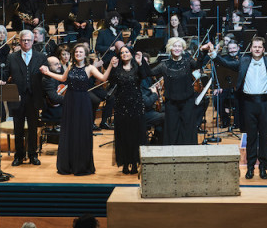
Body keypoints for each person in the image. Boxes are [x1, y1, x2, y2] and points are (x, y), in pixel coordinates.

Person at [208, 37, 267, 179]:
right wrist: (214, 55)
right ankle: (250, 167)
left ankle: (263, 167)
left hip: (266, 103)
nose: (257, 49)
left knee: (264, 137)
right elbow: (226, 64)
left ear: (263, 49)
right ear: (251, 48)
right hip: (248, 103)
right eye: (255, 47)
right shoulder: (244, 61)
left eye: (260, 47)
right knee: (251, 136)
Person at [40, 43, 112, 176]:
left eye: (80, 52)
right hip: (70, 100)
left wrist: (111, 66)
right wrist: (47, 72)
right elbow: (62, 78)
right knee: (69, 131)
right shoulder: (70, 67)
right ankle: (68, 164)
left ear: (85, 54)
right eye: (76, 52)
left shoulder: (90, 68)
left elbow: (103, 78)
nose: (78, 54)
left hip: (83, 101)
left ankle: (82, 165)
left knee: (82, 131)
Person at [142, 37, 206, 145]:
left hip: (187, 101)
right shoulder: (164, 64)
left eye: (179, 46)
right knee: (172, 127)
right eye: (174, 46)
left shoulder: (188, 61)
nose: (177, 48)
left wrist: (202, 51)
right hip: (171, 102)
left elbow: (198, 65)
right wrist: (141, 63)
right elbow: (149, 73)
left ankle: (188, 152)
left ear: (183, 49)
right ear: (170, 48)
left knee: (187, 126)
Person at [2, 29, 49, 166]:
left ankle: (33, 155)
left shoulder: (41, 57)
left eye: (28, 40)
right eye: (24, 40)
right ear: (20, 41)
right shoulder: (12, 57)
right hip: (17, 97)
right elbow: (5, 74)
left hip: (34, 97)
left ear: (33, 40)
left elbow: (46, 76)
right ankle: (19, 155)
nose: (26, 42)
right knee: (18, 128)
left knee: (33, 128)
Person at [107, 45, 150, 174]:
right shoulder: (117, 69)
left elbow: (145, 75)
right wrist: (112, 68)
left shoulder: (137, 67)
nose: (124, 54)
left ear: (131, 54)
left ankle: (135, 163)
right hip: (121, 105)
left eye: (127, 52)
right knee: (123, 134)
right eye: (122, 53)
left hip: (136, 105)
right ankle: (125, 163)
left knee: (136, 134)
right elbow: (111, 82)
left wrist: (140, 62)